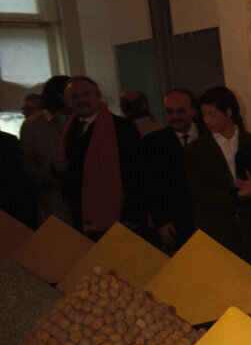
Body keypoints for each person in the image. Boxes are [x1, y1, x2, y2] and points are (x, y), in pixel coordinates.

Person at [184, 86, 251, 276]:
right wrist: (238, 194)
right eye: (204, 116)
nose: (207, 121)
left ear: (228, 112)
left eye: (212, 115)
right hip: (217, 231)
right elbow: (199, 193)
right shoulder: (196, 150)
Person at [54, 76, 142, 238]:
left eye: (86, 94)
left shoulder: (122, 127)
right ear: (68, 101)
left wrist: (132, 215)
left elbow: (136, 173)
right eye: (75, 96)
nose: (82, 100)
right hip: (80, 212)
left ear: (98, 96)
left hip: (118, 213)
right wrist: (58, 168)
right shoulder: (69, 128)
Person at [138, 89, 199, 252]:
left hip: (211, 219)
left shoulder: (210, 136)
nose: (175, 117)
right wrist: (161, 222)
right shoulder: (153, 143)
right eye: (169, 112)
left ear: (193, 111)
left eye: (180, 111)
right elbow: (150, 186)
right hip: (175, 223)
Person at [19, 75, 70, 226]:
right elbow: (26, 159)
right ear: (61, 96)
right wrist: (44, 176)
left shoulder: (83, 120)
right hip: (51, 194)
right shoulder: (33, 125)